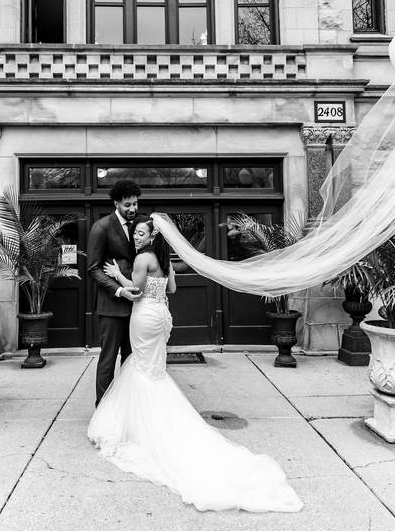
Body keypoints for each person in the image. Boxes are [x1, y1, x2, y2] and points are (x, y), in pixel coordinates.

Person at [87, 215, 303, 513]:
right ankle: (153, 417)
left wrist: (116, 275)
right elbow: (172, 289)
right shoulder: (164, 259)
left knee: (140, 367)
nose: (136, 237)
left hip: (145, 316)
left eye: (140, 233)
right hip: (162, 316)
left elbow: (135, 291)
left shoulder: (142, 258)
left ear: (151, 236)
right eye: (135, 233)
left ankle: (143, 425)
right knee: (154, 369)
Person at [87, 179, 142, 406]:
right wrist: (119, 290)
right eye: (128, 205)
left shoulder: (140, 225)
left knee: (131, 361)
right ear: (116, 203)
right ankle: (103, 410)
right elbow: (93, 269)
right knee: (108, 360)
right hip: (112, 306)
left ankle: (127, 410)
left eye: (135, 204)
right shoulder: (101, 227)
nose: (133, 209)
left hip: (137, 305)